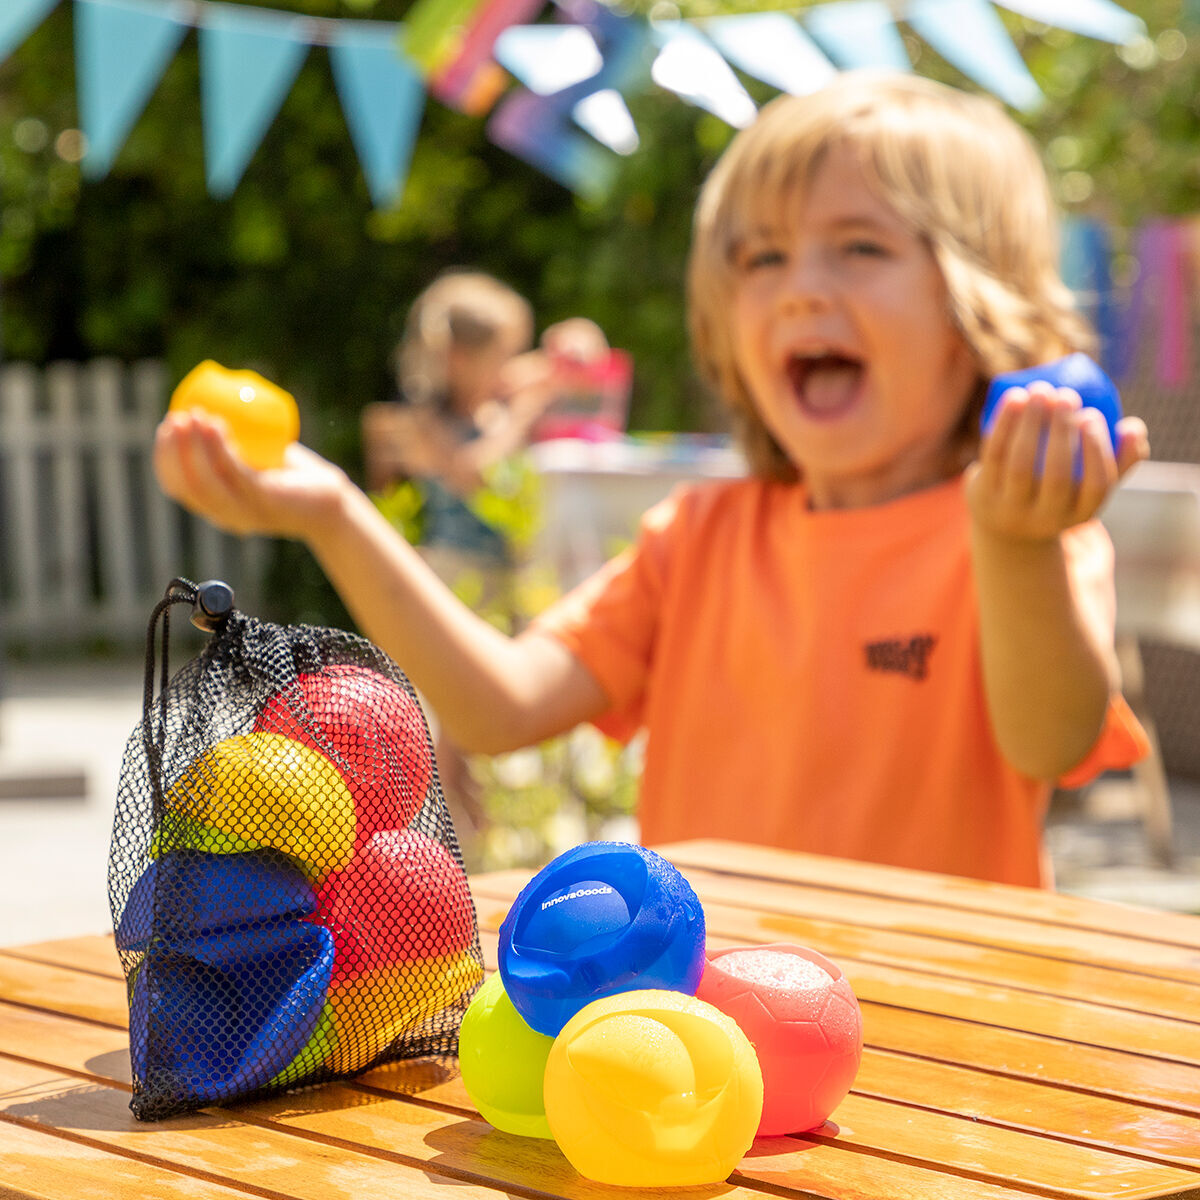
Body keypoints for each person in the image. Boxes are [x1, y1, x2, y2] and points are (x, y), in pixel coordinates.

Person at [154, 71, 1151, 888]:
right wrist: (336, 513)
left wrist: (1017, 546)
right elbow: (500, 709)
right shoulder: (700, 537)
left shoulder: (1016, 531)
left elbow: (1053, 738)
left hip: (947, 1057)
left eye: (861, 246)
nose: (802, 284)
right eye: (762, 257)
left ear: (981, 307)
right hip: (695, 1057)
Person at [359, 269, 608, 852]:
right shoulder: (428, 420)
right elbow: (472, 473)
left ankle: (473, 836)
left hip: (501, 576)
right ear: (459, 360)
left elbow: (573, 349)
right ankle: (450, 843)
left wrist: (575, 343)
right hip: (453, 577)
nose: (509, 369)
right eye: (500, 357)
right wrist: (524, 412)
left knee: (477, 721)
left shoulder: (495, 394)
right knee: (452, 718)